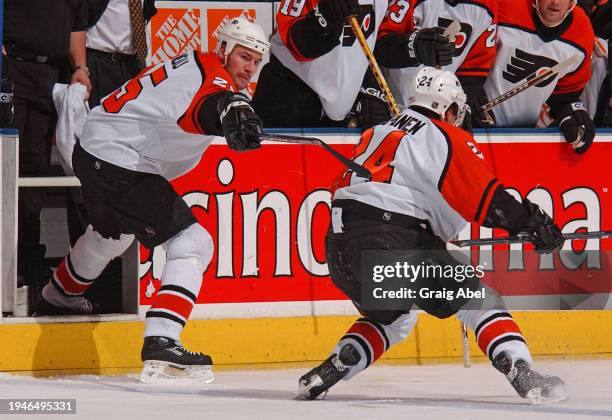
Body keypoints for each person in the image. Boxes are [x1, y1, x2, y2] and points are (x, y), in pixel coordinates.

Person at [296, 67, 567, 404]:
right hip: (393, 240)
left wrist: (430, 237)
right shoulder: (444, 135)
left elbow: (383, 194)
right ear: (449, 109)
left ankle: (337, 362)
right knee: (481, 302)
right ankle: (520, 368)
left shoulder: (377, 132)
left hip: (339, 250)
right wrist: (533, 224)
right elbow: (488, 199)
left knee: (396, 317)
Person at [35, 16, 269, 383]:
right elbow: (213, 103)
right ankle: (163, 338)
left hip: (94, 149)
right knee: (194, 241)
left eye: (256, 61)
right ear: (223, 50)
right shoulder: (214, 79)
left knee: (110, 237)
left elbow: (211, 103)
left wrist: (232, 108)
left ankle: (57, 296)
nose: (250, 68)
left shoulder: (195, 66)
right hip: (118, 159)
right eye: (243, 57)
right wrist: (230, 110)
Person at [251, 0, 455, 128]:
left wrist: (415, 47)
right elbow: (298, 44)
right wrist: (325, 18)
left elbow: (380, 43)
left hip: (342, 109)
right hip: (288, 95)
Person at [2, 0, 91, 291]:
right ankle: (6, 264)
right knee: (5, 167)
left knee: (34, 171)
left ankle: (27, 262)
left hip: (50, 76)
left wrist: (80, 67)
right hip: (10, 68)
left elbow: (76, 27)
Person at [480, 0, 595, 153]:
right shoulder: (506, 6)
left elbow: (565, 92)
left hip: (525, 135)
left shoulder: (581, 31)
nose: (555, 2)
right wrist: (470, 95)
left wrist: (570, 110)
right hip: (476, 125)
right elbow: (472, 55)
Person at [382, 0, 499, 128]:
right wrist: (415, 47)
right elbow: (379, 42)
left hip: (439, 121)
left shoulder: (488, 5)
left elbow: (474, 68)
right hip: (388, 107)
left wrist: (461, 106)